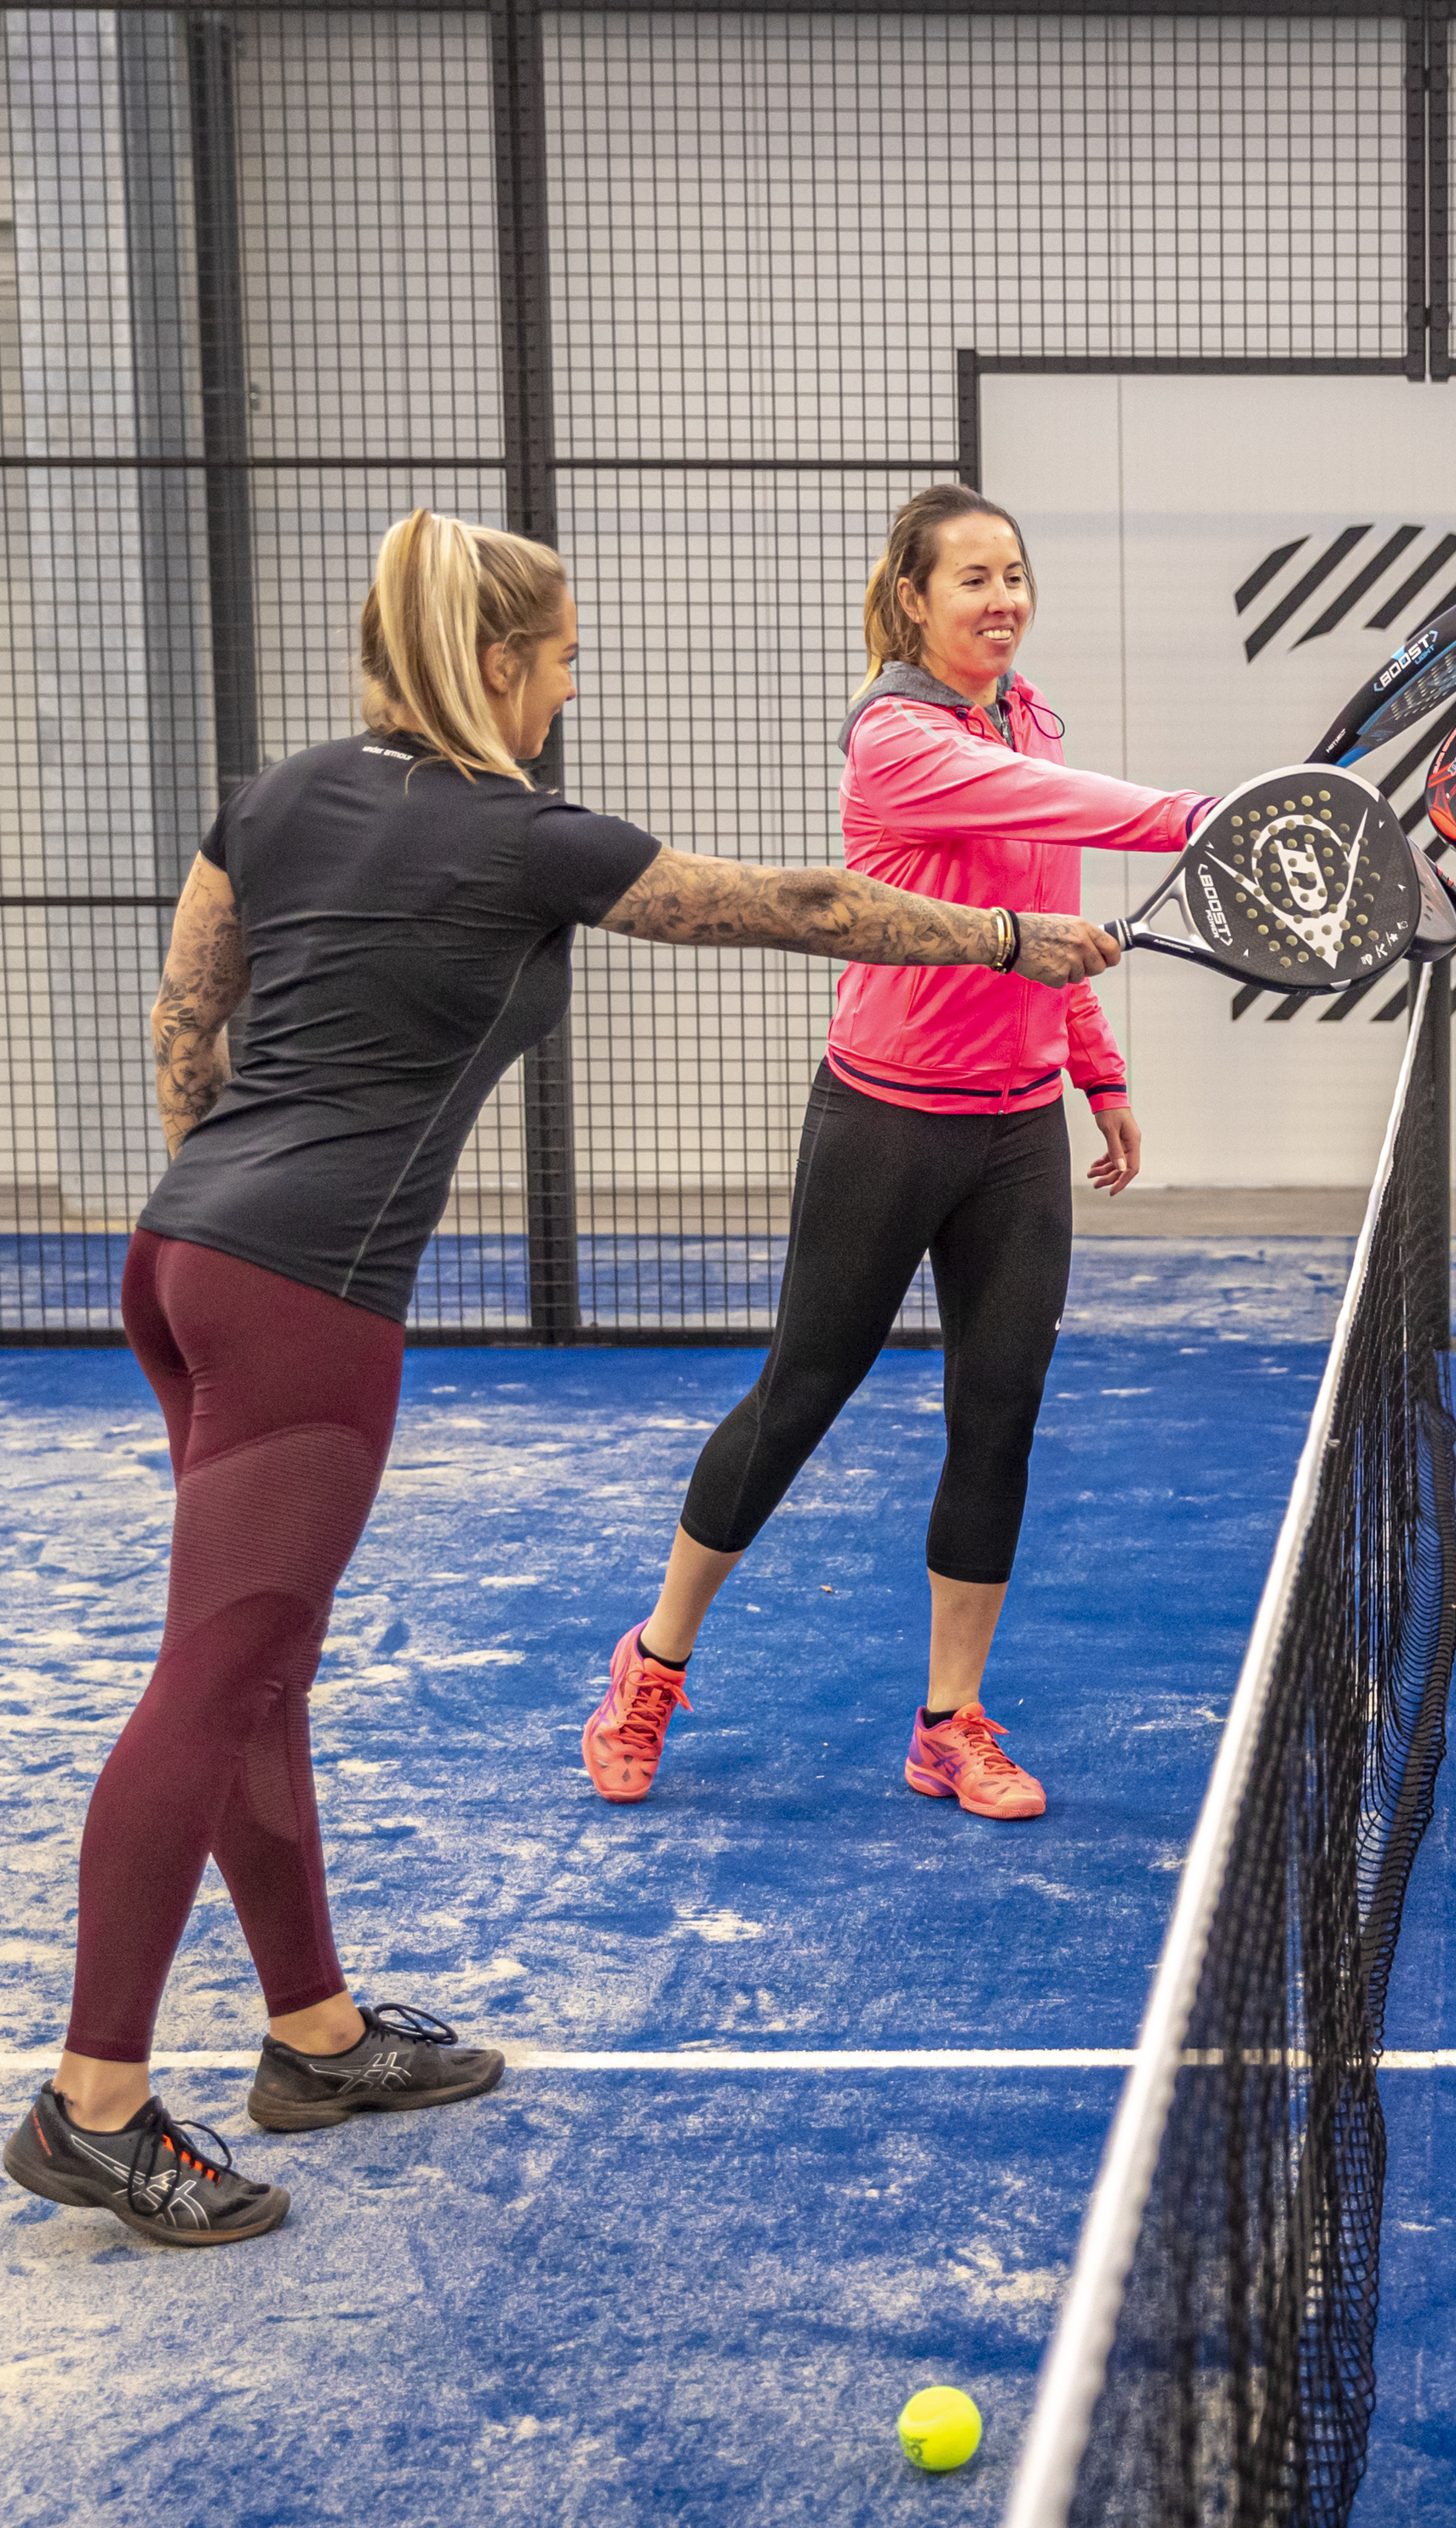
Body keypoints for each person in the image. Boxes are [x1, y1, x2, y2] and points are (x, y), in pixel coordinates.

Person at [0, 509, 1121, 2249]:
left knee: (258, 1667)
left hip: (183, 1253)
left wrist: (222, 1211)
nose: (571, 682)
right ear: (500, 665)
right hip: (306, 1297)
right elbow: (795, 903)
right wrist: (1001, 945)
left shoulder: (275, 794)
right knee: (215, 1679)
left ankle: (313, 2033)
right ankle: (94, 2101)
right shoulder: (526, 834)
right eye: (567, 655)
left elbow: (190, 1018)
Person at [576, 488, 1205, 1824]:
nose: (1002, 600)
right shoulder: (899, 736)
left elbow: (1048, 901)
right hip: (888, 1118)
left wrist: (1096, 1069)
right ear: (913, 598)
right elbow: (1077, 814)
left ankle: (949, 1720)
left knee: (1000, 1417)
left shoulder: (1027, 716)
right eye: (971, 579)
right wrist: (1206, 816)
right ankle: (655, 1661)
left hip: (1017, 1126)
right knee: (799, 1397)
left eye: (1016, 575)